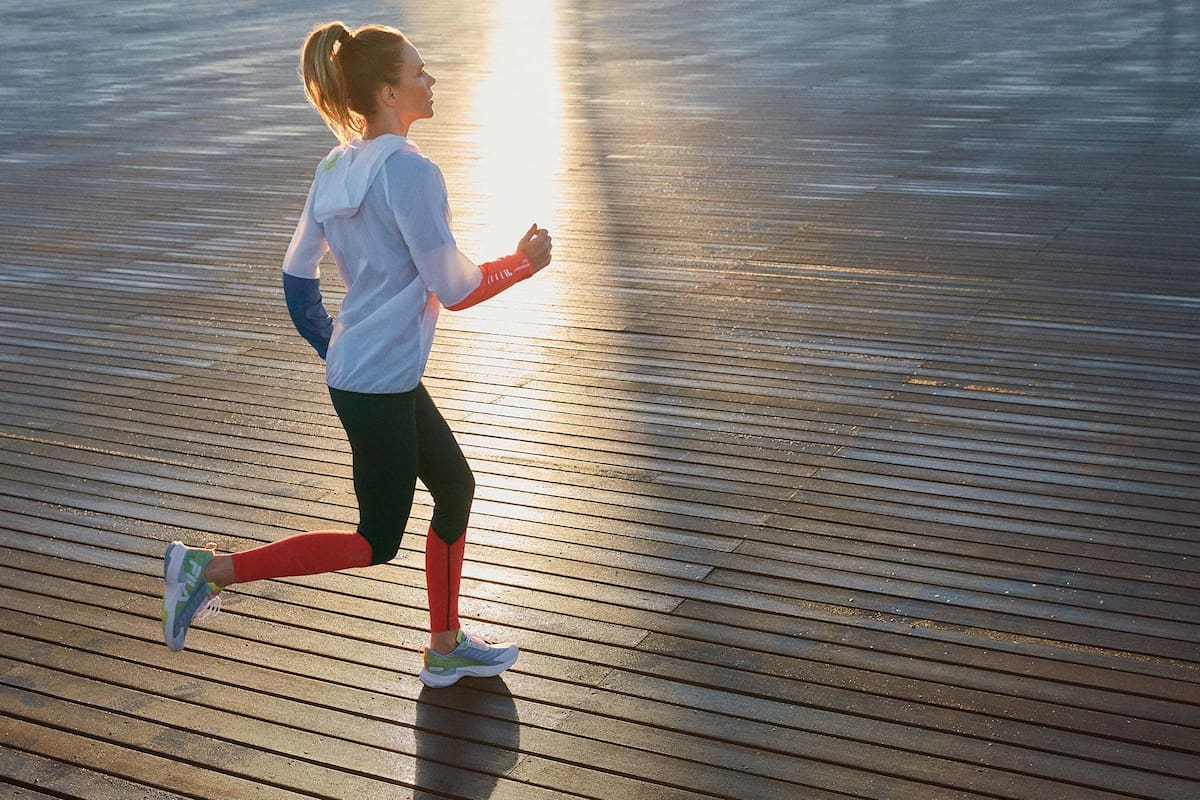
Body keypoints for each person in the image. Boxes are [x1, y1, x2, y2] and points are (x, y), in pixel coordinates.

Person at [161, 20, 553, 689]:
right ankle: (210, 568)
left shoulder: (335, 167)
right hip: (377, 380)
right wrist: (522, 263)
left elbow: (296, 276)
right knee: (376, 541)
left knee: (454, 486)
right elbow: (454, 288)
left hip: (370, 375)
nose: (430, 81)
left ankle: (446, 646)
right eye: (418, 74)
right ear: (386, 92)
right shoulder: (410, 170)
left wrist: (338, 347)